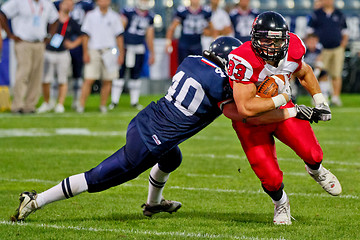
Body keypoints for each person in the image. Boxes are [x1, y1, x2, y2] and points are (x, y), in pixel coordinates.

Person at [9, 36, 316, 222]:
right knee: (97, 178)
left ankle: (154, 205)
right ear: (227, 61)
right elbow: (244, 114)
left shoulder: (191, 60)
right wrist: (283, 102)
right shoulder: (221, 83)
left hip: (146, 119)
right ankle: (36, 200)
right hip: (150, 141)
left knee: (172, 159)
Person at [227, 11, 342, 225]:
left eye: (277, 39)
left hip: (281, 108)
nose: (272, 45)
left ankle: (316, 170)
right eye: (266, 39)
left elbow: (304, 71)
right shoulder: (243, 59)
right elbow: (245, 108)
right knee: (270, 178)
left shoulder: (293, 49)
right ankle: (281, 203)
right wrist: (283, 98)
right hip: (252, 121)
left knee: (313, 153)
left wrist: (320, 101)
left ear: (286, 38)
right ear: (254, 38)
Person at [0, 0, 58, 114]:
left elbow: (55, 19)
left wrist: (50, 35)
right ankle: (17, 105)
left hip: (39, 42)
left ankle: (30, 105)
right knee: (23, 72)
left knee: (36, 75)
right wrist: (10, 34)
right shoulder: (18, 1)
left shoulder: (46, 3)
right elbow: (2, 14)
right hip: (23, 42)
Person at [77, 0, 125, 113]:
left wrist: (121, 54)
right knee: (89, 79)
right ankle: (81, 105)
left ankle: (103, 105)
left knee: (108, 80)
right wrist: (85, 52)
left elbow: (119, 36)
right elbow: (85, 35)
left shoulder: (114, 16)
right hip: (94, 49)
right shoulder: (90, 15)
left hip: (109, 51)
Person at [37, 0, 83, 114]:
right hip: (49, 51)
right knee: (46, 79)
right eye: (66, 3)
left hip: (63, 52)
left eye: (70, 4)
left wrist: (73, 44)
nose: (68, 6)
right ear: (61, 5)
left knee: (63, 79)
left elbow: (83, 35)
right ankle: (47, 102)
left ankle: (60, 104)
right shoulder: (51, 19)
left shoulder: (72, 22)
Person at [109, 0, 155, 110]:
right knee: (119, 74)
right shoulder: (128, 12)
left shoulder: (150, 16)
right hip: (125, 47)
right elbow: (119, 30)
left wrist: (152, 52)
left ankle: (134, 101)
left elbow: (149, 36)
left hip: (139, 47)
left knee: (136, 75)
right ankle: (114, 101)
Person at [307, 0, 348, 106]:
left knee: (336, 73)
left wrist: (342, 45)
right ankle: (320, 96)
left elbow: (345, 31)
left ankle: (335, 97)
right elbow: (310, 31)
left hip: (336, 48)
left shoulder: (339, 14)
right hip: (321, 49)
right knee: (320, 73)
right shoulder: (317, 14)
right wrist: (315, 45)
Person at [165, 0, 214, 66]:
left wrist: (210, 36)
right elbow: (172, 28)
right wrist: (168, 42)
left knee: (197, 69)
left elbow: (212, 29)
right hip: (184, 45)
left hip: (197, 45)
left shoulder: (205, 11)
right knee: (183, 68)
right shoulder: (182, 11)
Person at [303, 33, 330, 101]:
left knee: (324, 74)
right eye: (310, 41)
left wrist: (315, 75)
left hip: (314, 70)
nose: (312, 43)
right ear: (306, 41)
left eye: (314, 41)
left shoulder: (319, 49)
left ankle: (324, 95)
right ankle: (292, 93)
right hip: (303, 70)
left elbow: (319, 61)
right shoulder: (303, 49)